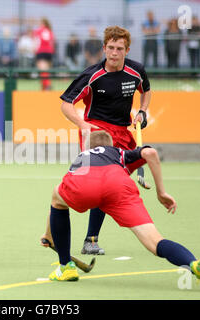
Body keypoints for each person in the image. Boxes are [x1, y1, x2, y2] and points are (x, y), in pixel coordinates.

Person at [44, 130, 200, 293]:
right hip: (118, 184)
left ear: (86, 147)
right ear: (111, 144)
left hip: (85, 184)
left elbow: (59, 201)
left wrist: (48, 235)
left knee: (56, 198)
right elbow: (151, 153)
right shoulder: (118, 152)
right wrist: (161, 193)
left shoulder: (82, 156)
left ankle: (65, 267)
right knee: (155, 242)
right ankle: (193, 263)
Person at [41, 25, 151, 255]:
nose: (114, 53)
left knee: (107, 185)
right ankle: (85, 239)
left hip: (122, 131)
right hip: (96, 133)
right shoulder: (92, 74)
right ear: (104, 48)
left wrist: (142, 111)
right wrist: (82, 125)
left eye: (119, 48)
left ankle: (64, 234)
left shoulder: (137, 72)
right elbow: (66, 104)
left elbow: (146, 90)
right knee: (96, 183)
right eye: (110, 47)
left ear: (127, 50)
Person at [33, 17, 55, 90]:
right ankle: (44, 87)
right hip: (49, 53)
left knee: (43, 70)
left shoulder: (38, 31)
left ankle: (47, 85)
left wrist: (35, 50)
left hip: (41, 52)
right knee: (46, 70)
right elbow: (52, 43)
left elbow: (36, 41)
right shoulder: (50, 31)